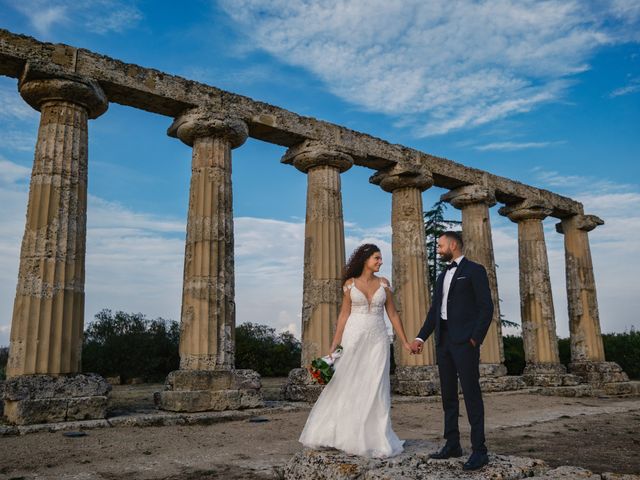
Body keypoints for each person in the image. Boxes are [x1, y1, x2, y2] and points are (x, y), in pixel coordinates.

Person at [299, 243, 413, 458]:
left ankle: (375, 436)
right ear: (365, 260)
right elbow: (344, 315)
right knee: (348, 382)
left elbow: (393, 314)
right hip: (354, 337)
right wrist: (334, 344)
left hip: (378, 338)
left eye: (380, 259)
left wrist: (405, 342)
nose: (380, 262)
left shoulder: (384, 284)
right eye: (377, 258)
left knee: (376, 384)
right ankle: (342, 434)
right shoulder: (349, 285)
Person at [410, 231, 493, 471]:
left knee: (471, 395)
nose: (438, 248)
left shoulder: (475, 271)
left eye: (441, 244)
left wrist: (475, 339)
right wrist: (420, 337)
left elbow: (486, 308)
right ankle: (452, 443)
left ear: (453, 245)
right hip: (443, 342)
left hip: (465, 343)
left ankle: (480, 450)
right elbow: (434, 311)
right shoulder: (441, 275)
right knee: (448, 396)